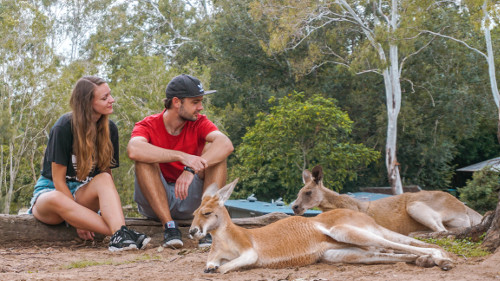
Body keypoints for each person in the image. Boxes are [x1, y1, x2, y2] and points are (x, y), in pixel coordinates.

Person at [28, 76, 150, 252]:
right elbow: (58, 181)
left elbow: (106, 179)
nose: (111, 100)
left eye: (110, 95)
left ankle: (120, 235)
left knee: (105, 178)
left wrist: (83, 215)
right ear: (87, 103)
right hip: (52, 194)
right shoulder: (64, 126)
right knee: (56, 197)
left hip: (82, 193)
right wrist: (77, 219)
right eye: (104, 97)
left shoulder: (110, 130)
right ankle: (123, 233)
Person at [127, 74, 234, 249]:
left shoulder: (199, 122)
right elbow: (134, 149)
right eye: (195, 102)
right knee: (143, 158)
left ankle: (207, 225)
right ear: (176, 102)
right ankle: (169, 227)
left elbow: (226, 144)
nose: (200, 107)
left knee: (216, 155)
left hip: (190, 199)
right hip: (155, 203)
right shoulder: (148, 124)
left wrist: (190, 169)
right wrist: (181, 156)